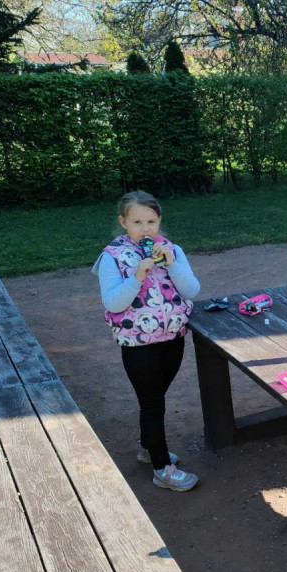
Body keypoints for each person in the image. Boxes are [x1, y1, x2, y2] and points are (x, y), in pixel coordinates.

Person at [93, 190, 201, 491]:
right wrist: (137, 276)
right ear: (123, 222)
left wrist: (172, 264)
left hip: (173, 339)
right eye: (137, 222)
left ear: (159, 220)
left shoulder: (172, 250)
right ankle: (162, 468)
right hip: (138, 345)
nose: (145, 229)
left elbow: (192, 290)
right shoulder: (112, 256)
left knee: (155, 398)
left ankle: (148, 446)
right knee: (153, 404)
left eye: (151, 222)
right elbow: (113, 302)